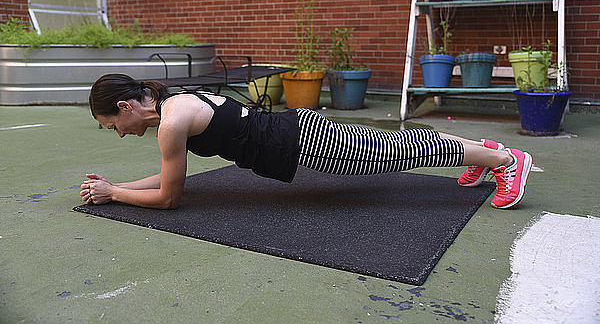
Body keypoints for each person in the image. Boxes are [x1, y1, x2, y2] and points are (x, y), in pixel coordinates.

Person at [80, 73, 533, 210]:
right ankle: (485, 153)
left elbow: (170, 197)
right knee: (404, 143)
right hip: (296, 133)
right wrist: (119, 185)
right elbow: (167, 175)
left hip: (307, 142)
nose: (117, 133)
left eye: (110, 125)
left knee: (406, 151)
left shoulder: (171, 121)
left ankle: (506, 159)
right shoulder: (175, 106)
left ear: (125, 108)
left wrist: (112, 193)